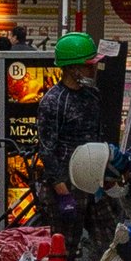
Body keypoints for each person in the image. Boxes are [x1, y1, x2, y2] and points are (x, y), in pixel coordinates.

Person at [36, 32, 112, 236]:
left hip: (94, 180)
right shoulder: (53, 102)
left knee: (110, 243)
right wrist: (63, 193)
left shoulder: (93, 94)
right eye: (88, 65)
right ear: (71, 67)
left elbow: (99, 136)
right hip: (65, 183)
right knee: (64, 251)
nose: (93, 69)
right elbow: (47, 150)